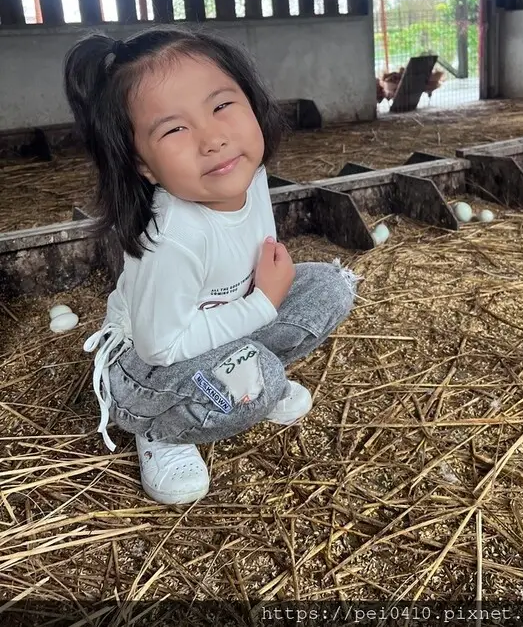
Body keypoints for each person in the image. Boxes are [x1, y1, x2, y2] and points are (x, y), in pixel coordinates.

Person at [64, 27, 359, 505]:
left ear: (252, 104)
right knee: (258, 377)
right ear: (144, 165)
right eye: (174, 129)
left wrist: (263, 299)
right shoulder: (173, 238)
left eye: (222, 105)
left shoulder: (251, 174)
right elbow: (161, 347)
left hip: (223, 323)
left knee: (331, 286)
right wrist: (263, 304)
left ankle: (251, 374)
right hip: (147, 369)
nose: (213, 139)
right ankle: (160, 429)